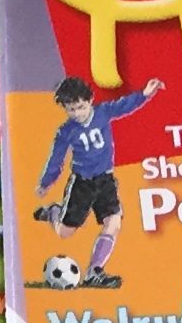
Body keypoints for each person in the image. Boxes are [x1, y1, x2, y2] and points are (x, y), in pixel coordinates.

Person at [33, 73, 163, 287]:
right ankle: (53, 212)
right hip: (82, 184)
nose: (77, 114)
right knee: (65, 233)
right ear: (64, 108)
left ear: (90, 100)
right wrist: (46, 183)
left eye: (81, 107)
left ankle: (94, 271)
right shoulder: (65, 132)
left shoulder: (103, 112)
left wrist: (145, 94)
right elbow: (56, 159)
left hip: (105, 180)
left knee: (114, 220)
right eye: (71, 109)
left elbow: (124, 105)